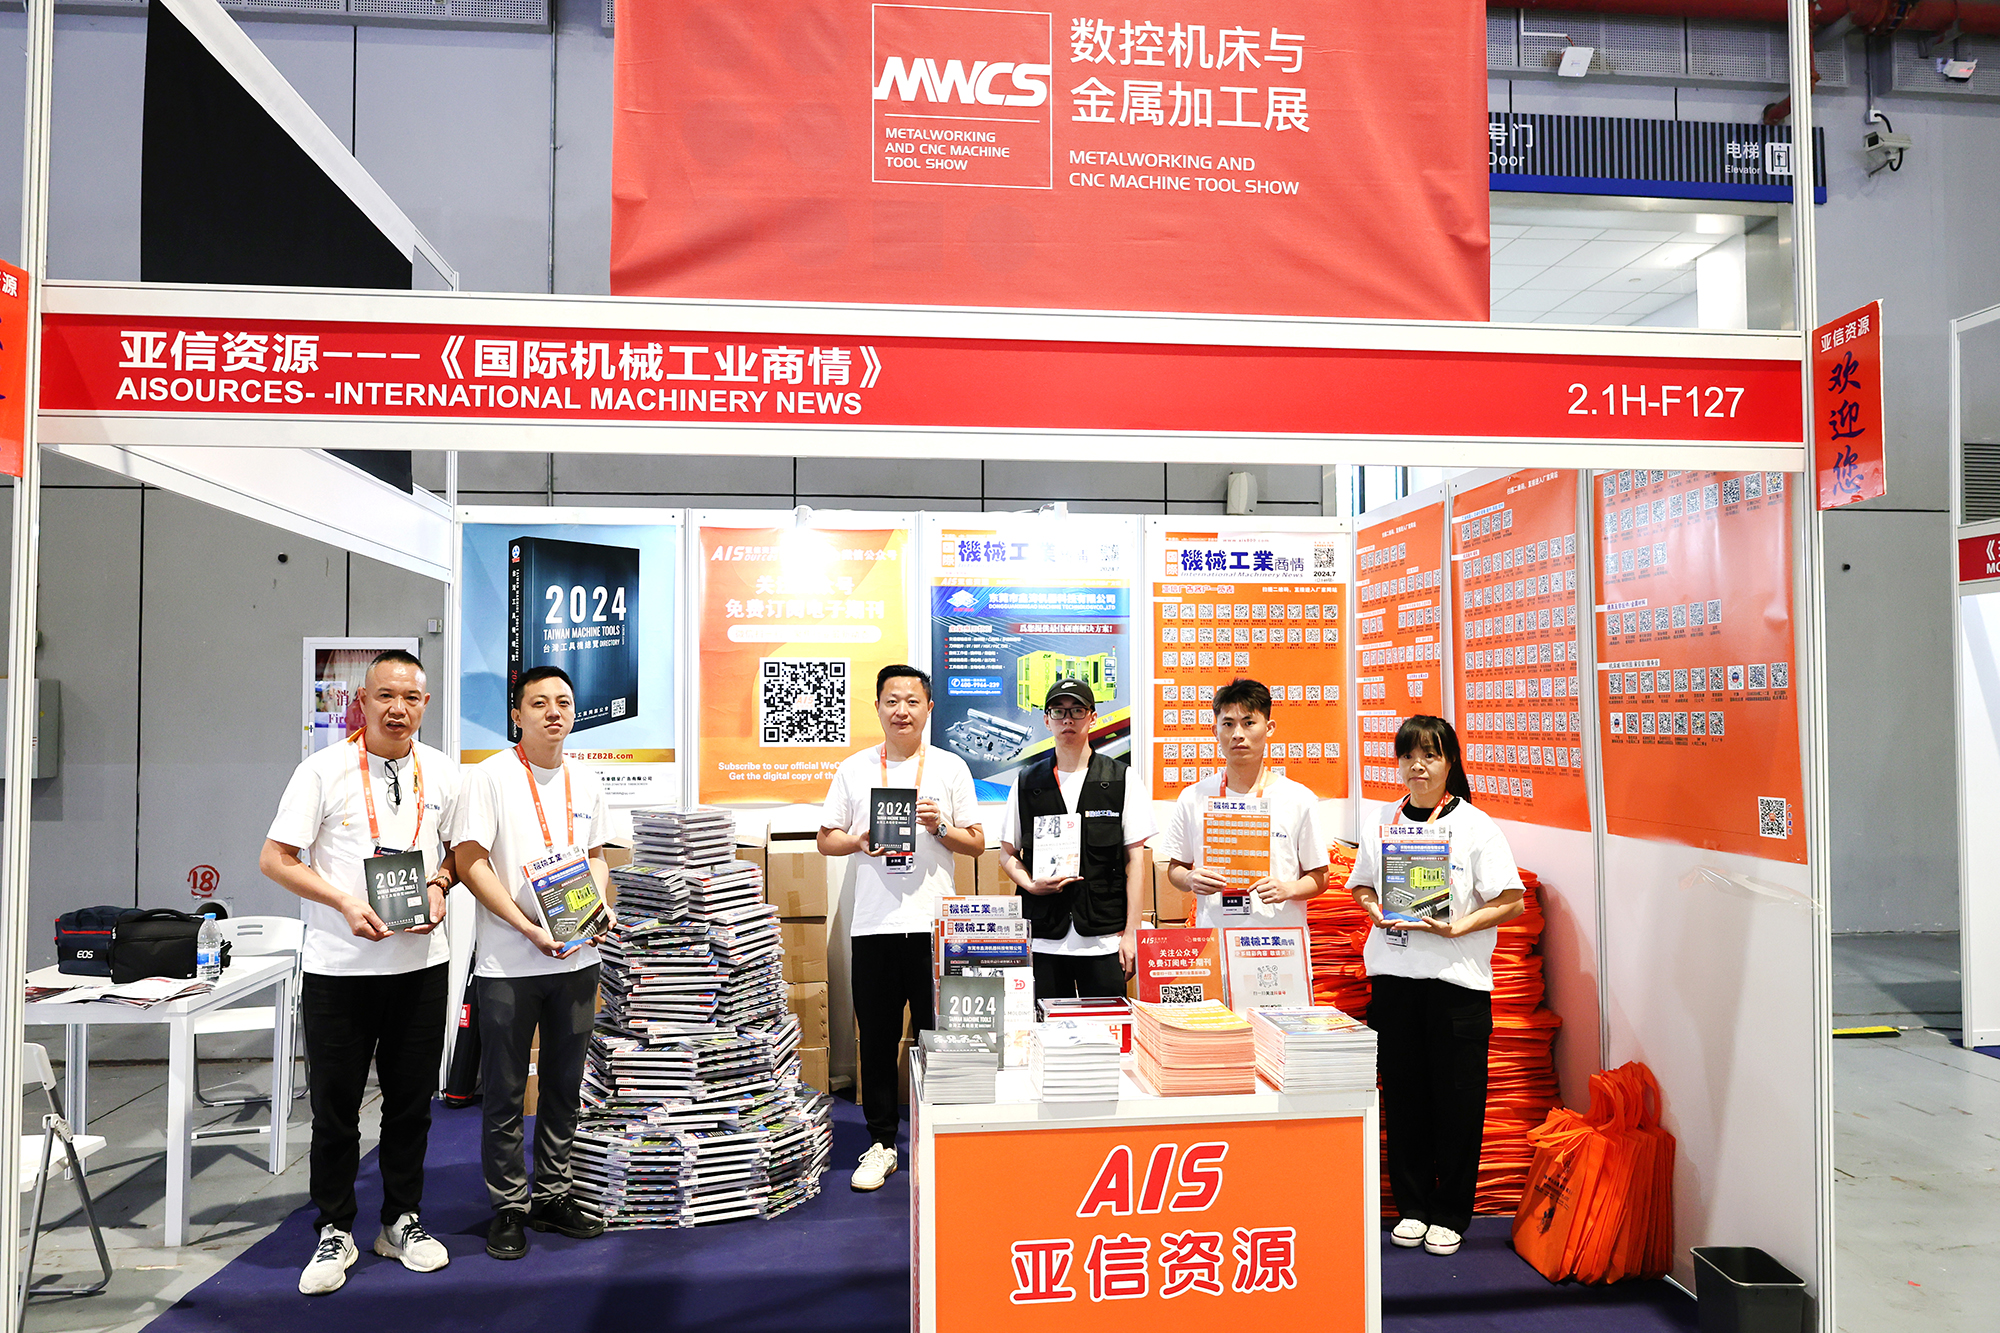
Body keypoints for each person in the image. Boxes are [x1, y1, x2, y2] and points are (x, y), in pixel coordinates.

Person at [260, 650, 458, 1296]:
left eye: (411, 697)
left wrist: (439, 884)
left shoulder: (443, 772)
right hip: (339, 970)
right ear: (362, 701)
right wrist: (344, 902)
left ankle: (400, 1220)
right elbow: (275, 858)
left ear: (425, 705)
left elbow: (459, 854)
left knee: (411, 1106)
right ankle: (335, 1227)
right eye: (385, 696)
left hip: (421, 965)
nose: (398, 708)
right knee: (335, 1109)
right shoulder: (321, 771)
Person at [1346, 714, 1524, 1258]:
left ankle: (1451, 1212)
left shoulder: (1475, 825)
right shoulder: (1383, 820)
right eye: (1407, 755)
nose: (1417, 766)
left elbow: (1511, 901)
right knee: (1403, 1099)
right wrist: (1374, 910)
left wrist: (1458, 927)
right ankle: (1414, 1206)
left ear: (1450, 763)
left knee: (1458, 1102)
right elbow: (1360, 886)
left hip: (1455, 984)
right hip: (1394, 982)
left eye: (1430, 755)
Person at [453, 665, 612, 1259]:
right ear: (517, 714)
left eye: (563, 702)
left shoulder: (587, 779)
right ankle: (509, 1206)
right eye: (539, 703)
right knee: (504, 1089)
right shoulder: (490, 776)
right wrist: (525, 927)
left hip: (577, 958)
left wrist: (596, 908)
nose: (553, 712)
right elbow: (470, 862)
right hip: (508, 962)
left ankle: (553, 1194)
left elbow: (596, 855)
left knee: (565, 1085)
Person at [818, 664, 981, 1192]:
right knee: (878, 1040)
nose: (902, 711)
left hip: (936, 929)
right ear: (878, 708)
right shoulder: (854, 768)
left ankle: (944, 1137)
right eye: (892, 701)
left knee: (943, 1039)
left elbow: (977, 843)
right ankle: (882, 1143)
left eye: (912, 701)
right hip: (874, 927)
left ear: (929, 708)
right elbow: (825, 839)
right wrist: (858, 840)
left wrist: (941, 827)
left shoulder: (951, 767)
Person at [998, 678, 1154, 1001]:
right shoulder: (1026, 782)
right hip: (1043, 939)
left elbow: (1135, 863)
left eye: (1077, 710)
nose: (1067, 719)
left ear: (1092, 717)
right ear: (1047, 720)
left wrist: (1132, 933)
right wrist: (1030, 885)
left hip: (1104, 939)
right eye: (1058, 711)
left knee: (1109, 1028)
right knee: (1045, 1028)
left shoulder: (1122, 778)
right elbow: (1007, 854)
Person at [1158, 677, 1330, 931]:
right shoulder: (1193, 797)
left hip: (1279, 939)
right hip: (1216, 937)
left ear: (1269, 728)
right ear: (1215, 731)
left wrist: (1289, 888)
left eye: (1248, 723)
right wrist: (1190, 878)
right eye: (1228, 724)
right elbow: (1176, 869)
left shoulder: (1297, 797)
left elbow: (1320, 876)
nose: (1238, 734)